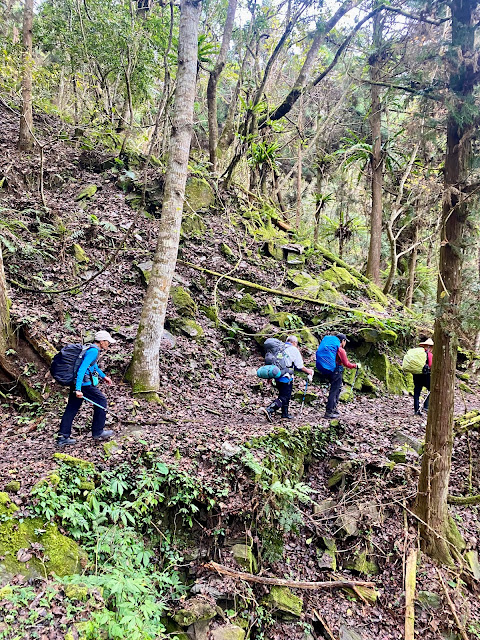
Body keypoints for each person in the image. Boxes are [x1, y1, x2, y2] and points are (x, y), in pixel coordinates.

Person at [57, 330, 116, 446]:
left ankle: (62, 437)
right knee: (101, 400)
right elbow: (82, 369)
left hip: (77, 383)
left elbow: (93, 366)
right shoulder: (93, 351)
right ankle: (98, 431)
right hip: (83, 385)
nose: (108, 344)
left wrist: (104, 377)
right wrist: (78, 388)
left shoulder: (91, 349)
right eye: (107, 342)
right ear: (101, 341)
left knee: (71, 408)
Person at [263, 335, 314, 421]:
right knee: (284, 397)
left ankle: (285, 414)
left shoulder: (280, 348)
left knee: (283, 395)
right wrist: (308, 371)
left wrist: (270, 377)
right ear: (294, 343)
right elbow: (299, 366)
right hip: (286, 377)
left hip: (277, 375)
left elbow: (274, 362)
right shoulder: (293, 349)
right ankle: (270, 409)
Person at [316, 333, 359, 419]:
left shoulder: (332, 349)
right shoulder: (340, 350)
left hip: (330, 370)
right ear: (343, 341)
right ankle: (329, 411)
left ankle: (333, 409)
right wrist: (355, 365)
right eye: (345, 341)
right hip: (336, 371)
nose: (345, 343)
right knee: (334, 391)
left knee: (335, 390)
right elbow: (346, 363)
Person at [413, 338, 433, 416]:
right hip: (425, 376)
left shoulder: (417, 354)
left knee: (417, 392)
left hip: (416, 375)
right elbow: (431, 365)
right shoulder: (429, 354)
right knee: (431, 390)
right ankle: (426, 406)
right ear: (429, 346)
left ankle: (416, 409)